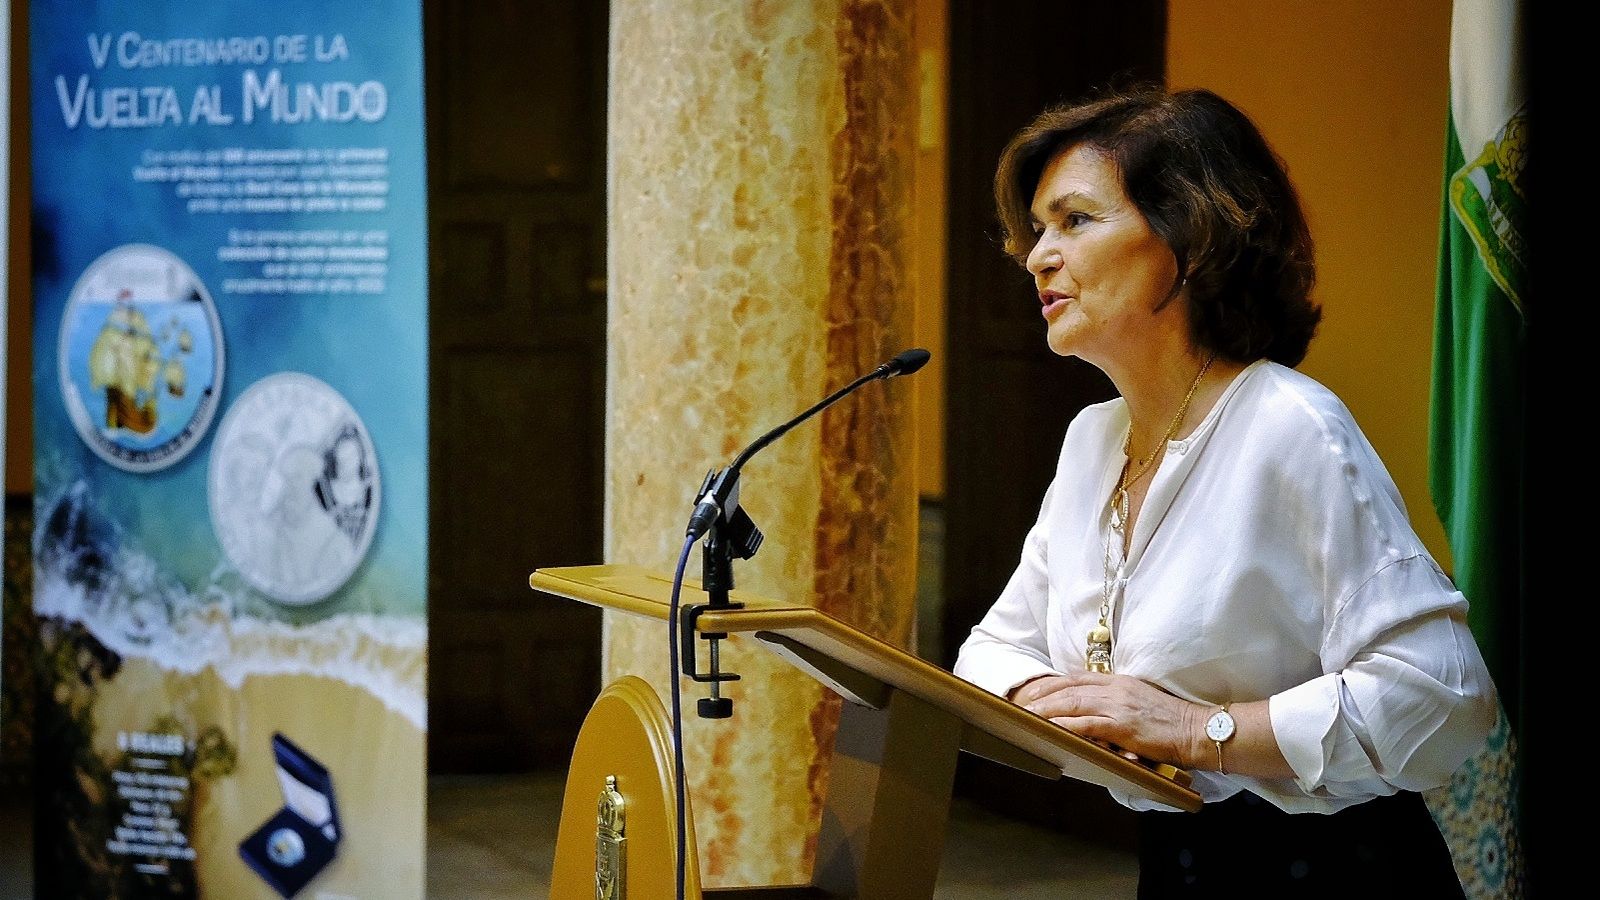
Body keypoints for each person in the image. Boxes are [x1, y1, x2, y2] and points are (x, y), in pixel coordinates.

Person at [951, 85, 1497, 898]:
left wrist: (1194, 730)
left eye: (1075, 220)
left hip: (1332, 874)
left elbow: (1443, 696)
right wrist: (1066, 705)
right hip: (1175, 867)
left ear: (1189, 238)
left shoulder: (1290, 425)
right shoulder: (1092, 439)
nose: (1037, 256)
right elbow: (992, 653)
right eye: (1037, 229)